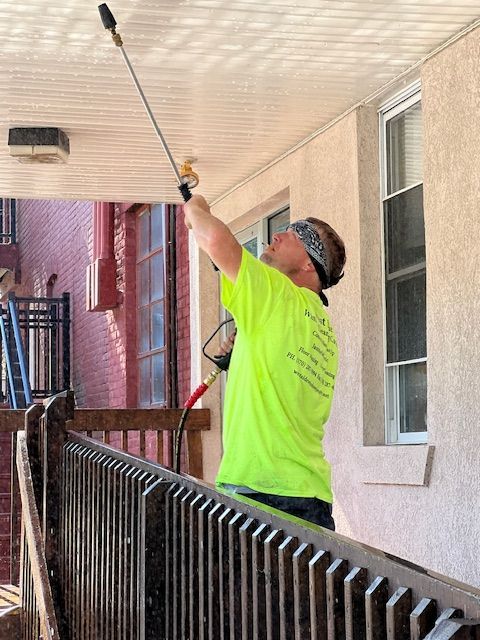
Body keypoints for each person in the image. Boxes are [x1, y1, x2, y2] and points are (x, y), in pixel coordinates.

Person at [183, 195, 346, 530]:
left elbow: (213, 239)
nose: (277, 236)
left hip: (259, 493)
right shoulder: (321, 326)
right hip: (309, 498)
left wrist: (195, 207)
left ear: (308, 265)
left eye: (294, 235)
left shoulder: (276, 295)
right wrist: (244, 346)